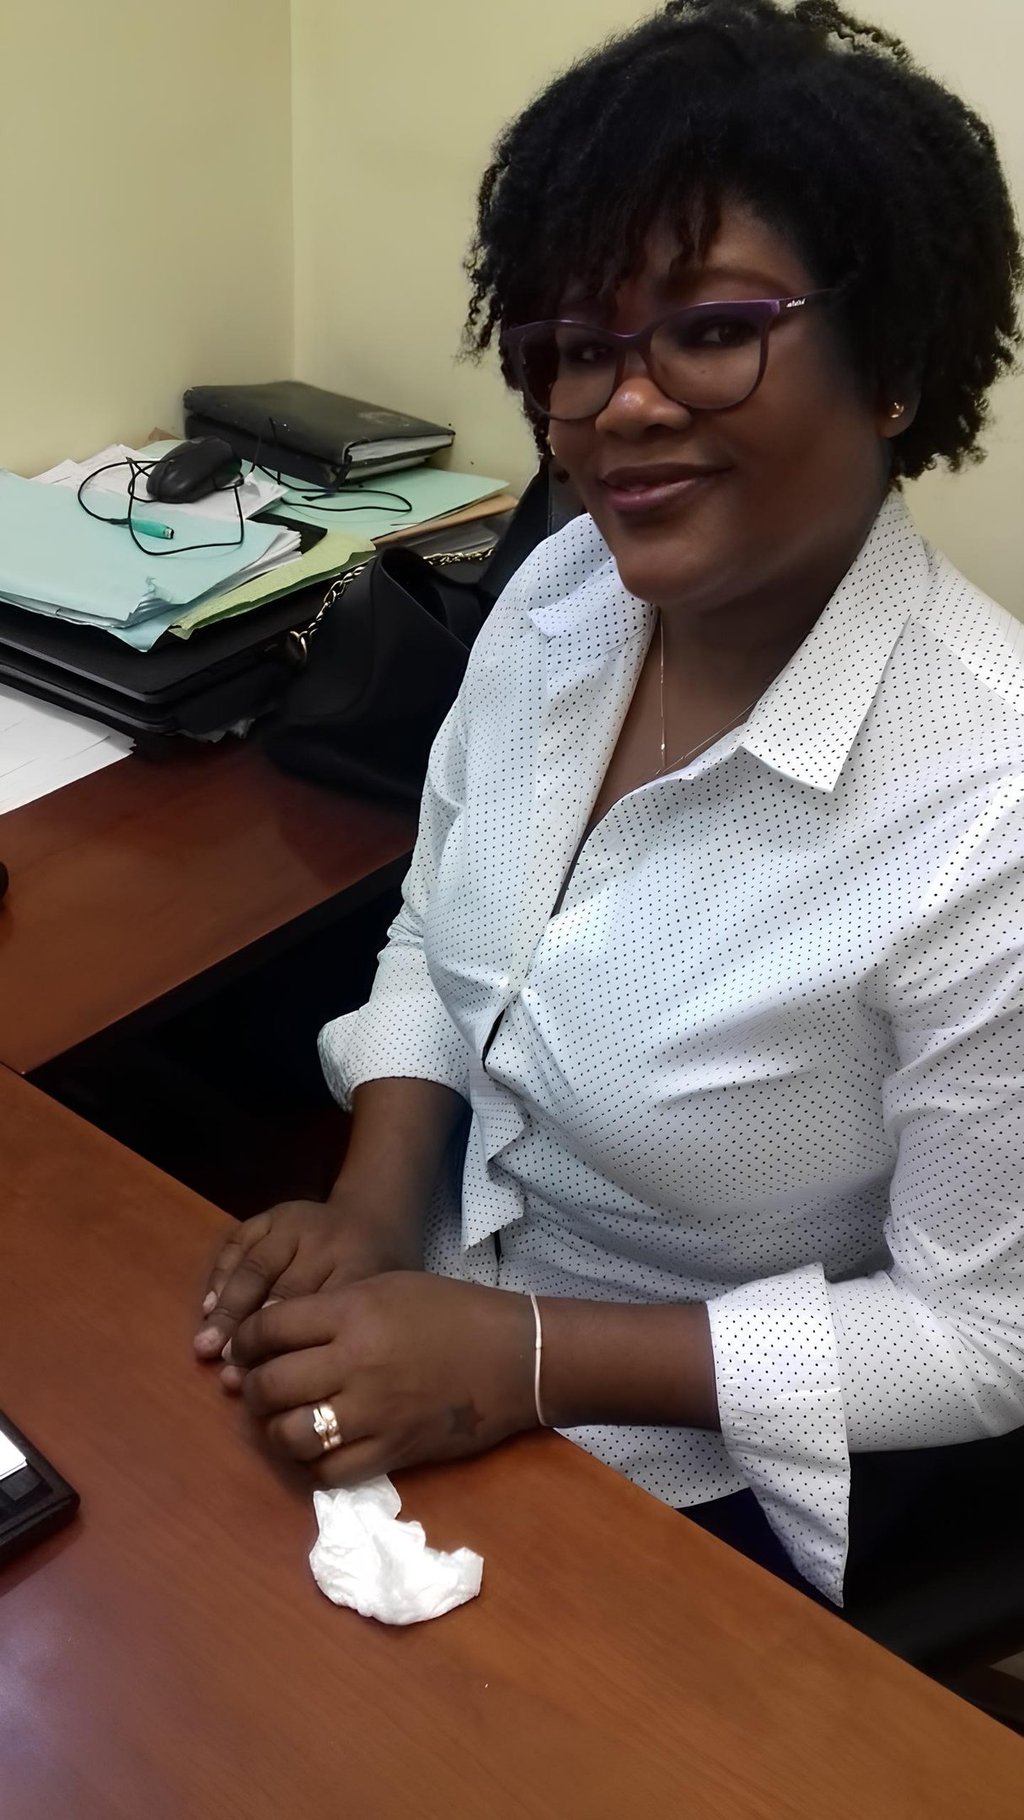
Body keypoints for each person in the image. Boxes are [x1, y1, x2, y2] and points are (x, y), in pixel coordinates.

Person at [194, 0, 1024, 1606]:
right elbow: (440, 929)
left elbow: (983, 1338)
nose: (621, 405)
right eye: (577, 349)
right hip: (431, 1318)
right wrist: (375, 1209)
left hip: (698, 1458)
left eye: (709, 329)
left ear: (894, 365)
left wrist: (523, 1357)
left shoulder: (989, 805)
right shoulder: (562, 594)